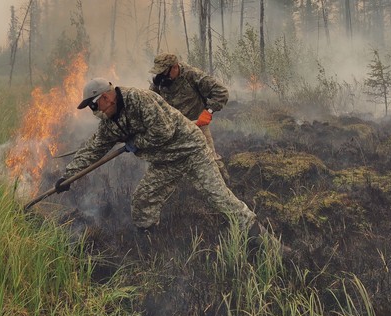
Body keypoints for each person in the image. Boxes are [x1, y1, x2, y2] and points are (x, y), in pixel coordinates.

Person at [54, 77, 291, 255]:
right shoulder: (109, 123)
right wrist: (68, 176)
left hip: (190, 150)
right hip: (166, 160)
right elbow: (94, 148)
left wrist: (136, 143)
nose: (93, 111)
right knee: (143, 199)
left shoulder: (139, 99)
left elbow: (163, 131)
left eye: (93, 106)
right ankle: (150, 248)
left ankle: (270, 246)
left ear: (105, 97)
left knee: (219, 198)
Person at [149, 53, 230, 182]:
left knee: (211, 161)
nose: (162, 76)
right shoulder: (160, 81)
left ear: (174, 67)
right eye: (160, 73)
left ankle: (227, 187)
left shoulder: (192, 75)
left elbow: (221, 92)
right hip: (174, 129)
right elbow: (151, 102)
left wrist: (208, 112)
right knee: (171, 166)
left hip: (197, 126)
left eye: (164, 72)